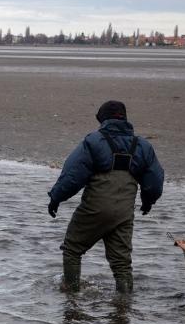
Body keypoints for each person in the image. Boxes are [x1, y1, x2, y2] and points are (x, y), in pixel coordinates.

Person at [48, 100, 164, 293]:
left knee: (72, 249)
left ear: (102, 119)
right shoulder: (142, 146)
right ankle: (124, 305)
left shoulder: (93, 141)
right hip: (124, 213)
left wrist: (56, 197)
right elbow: (155, 181)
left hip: (95, 208)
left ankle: (71, 294)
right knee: (122, 262)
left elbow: (73, 174)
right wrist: (148, 201)